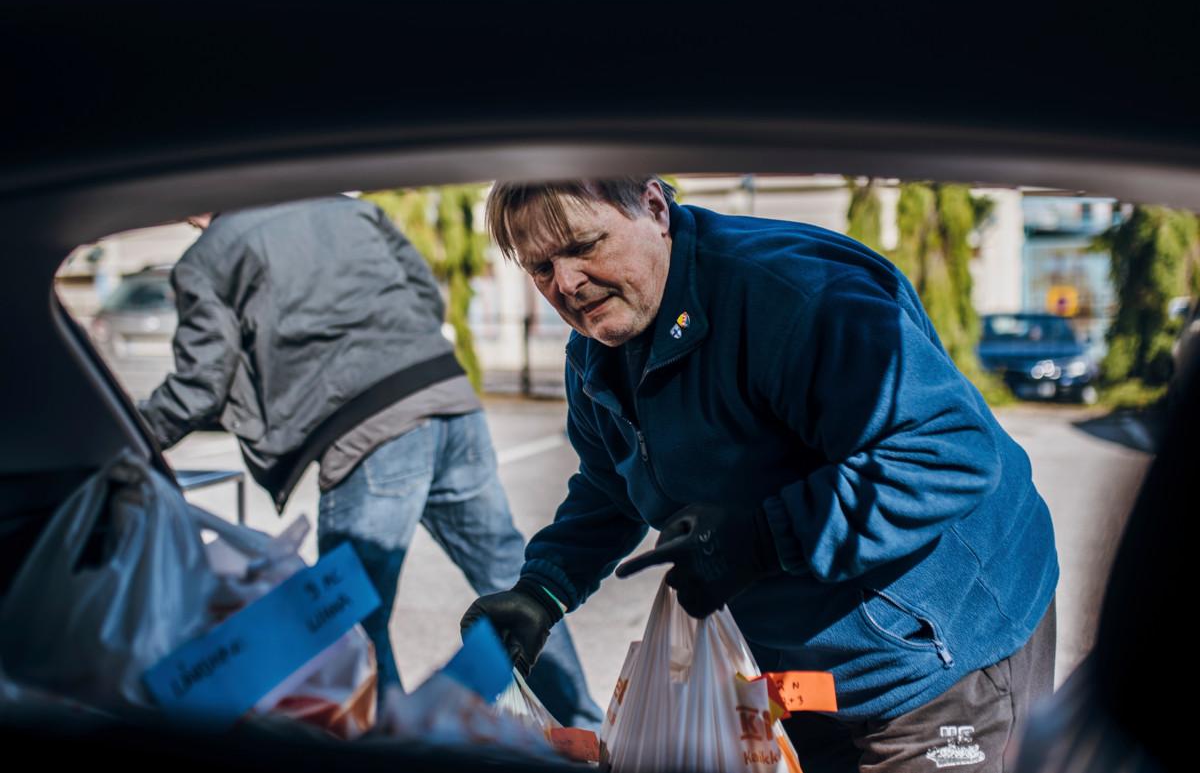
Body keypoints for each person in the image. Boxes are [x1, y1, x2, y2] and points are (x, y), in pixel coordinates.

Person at [461, 177, 1058, 771]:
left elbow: (944, 452)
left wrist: (766, 538)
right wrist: (543, 590)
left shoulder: (795, 297)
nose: (566, 283)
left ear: (653, 206)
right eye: (541, 268)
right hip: (792, 674)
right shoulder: (596, 350)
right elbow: (611, 483)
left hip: (940, 655)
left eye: (585, 245)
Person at [140, 195, 602, 728]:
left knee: (352, 615)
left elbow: (201, 382)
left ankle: (384, 751)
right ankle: (584, 730)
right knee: (512, 582)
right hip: (448, 399)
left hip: (368, 431)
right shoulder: (345, 209)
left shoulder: (208, 255)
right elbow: (426, 297)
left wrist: (132, 434)